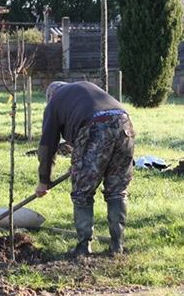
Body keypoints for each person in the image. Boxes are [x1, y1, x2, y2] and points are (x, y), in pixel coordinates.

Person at [36, 81, 135, 256]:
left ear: (50, 96)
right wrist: (79, 163)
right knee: (117, 191)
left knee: (82, 193)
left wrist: (44, 181)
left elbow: (47, 145)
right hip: (124, 124)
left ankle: (83, 247)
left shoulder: (55, 101)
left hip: (96, 127)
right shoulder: (83, 89)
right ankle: (117, 246)